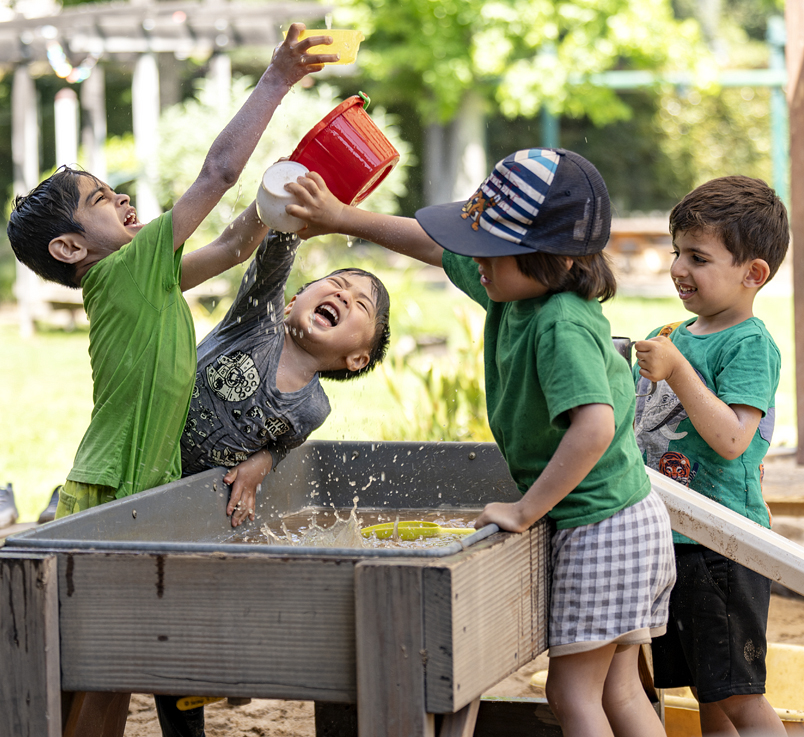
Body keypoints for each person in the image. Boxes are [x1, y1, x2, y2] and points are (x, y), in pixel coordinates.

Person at [6, 23, 337, 737]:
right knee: (104, 674)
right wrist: (275, 81)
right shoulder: (124, 272)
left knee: (117, 668)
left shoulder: (145, 278)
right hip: (111, 490)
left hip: (136, 488)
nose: (122, 199)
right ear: (71, 248)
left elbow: (230, 242)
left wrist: (282, 195)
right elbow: (216, 175)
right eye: (101, 200)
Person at [287, 148, 676, 737]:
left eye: (490, 250)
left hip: (601, 527)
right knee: (618, 690)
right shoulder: (518, 288)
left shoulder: (558, 325)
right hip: (626, 519)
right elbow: (432, 245)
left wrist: (525, 509)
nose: (476, 260)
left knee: (572, 696)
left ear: (551, 259)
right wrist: (342, 216)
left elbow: (593, 428)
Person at [154, 223, 390, 737]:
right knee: (162, 619)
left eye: (360, 305)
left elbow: (286, 438)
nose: (342, 295)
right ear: (291, 303)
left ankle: (216, 680)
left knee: (190, 620)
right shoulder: (254, 325)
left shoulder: (313, 407)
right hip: (149, 474)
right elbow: (272, 259)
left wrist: (265, 460)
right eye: (335, 283)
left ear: (357, 359)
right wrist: (292, 214)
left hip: (202, 509)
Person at [632, 175, 789, 736]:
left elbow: (731, 440)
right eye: (677, 252)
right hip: (668, 539)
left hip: (724, 545)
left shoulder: (749, 343)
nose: (678, 267)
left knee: (740, 697)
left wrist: (678, 369)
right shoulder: (669, 331)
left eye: (697, 257)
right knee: (708, 699)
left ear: (753, 274)